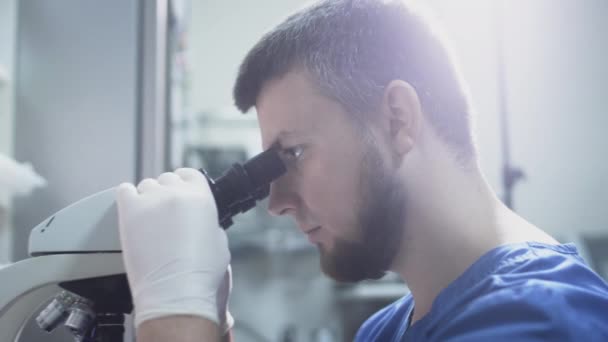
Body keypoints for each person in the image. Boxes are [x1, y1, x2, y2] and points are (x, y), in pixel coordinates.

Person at [116, 0, 608, 341]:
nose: (278, 202)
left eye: (294, 154)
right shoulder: (387, 328)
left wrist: (174, 313)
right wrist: (206, 314)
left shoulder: (541, 319)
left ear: (397, 119)